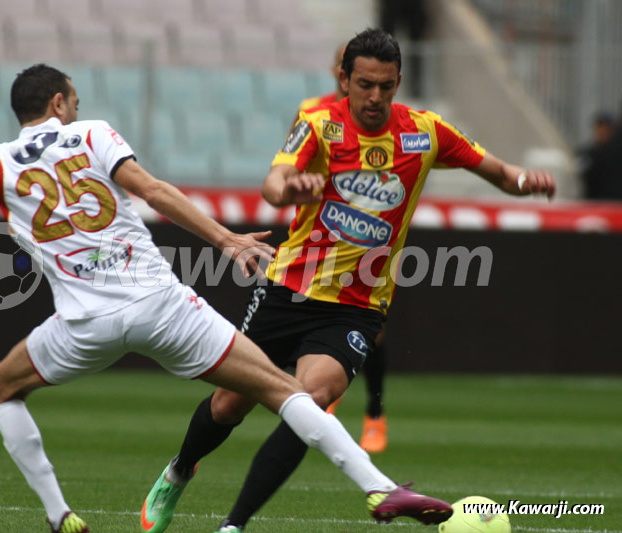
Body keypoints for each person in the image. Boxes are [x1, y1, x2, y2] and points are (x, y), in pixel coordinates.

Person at [0, 63, 455, 532]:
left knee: (1, 388)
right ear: (62, 101)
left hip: (84, 326)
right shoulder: (93, 133)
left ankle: (59, 516)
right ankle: (376, 489)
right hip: (162, 308)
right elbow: (153, 191)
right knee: (283, 390)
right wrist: (225, 239)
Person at [142, 28, 556, 533]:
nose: (375, 97)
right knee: (230, 404)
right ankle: (180, 469)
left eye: (385, 86)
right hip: (288, 288)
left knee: (310, 403)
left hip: (356, 307)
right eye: (364, 84)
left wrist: (521, 181)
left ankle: (234, 525)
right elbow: (274, 183)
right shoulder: (319, 125)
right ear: (344, 79)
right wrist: (289, 186)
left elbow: (492, 168)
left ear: (399, 82)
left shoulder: (425, 132)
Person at [296, 41, 390, 454]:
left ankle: (374, 414)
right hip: (319, 240)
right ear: (342, 74)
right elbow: (292, 165)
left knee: (377, 335)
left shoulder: (386, 124)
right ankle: (323, 393)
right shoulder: (312, 112)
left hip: (370, 239)